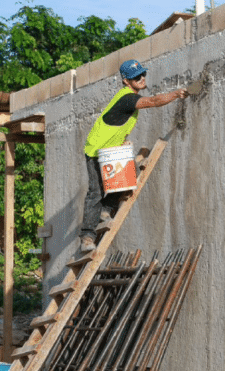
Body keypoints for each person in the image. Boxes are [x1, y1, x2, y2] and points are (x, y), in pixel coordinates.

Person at [79, 59, 189, 252]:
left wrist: (122, 141)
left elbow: (119, 124)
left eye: (142, 74)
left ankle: (106, 209)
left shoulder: (128, 97)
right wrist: (175, 94)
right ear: (126, 80)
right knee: (95, 192)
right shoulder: (127, 98)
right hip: (96, 150)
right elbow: (153, 102)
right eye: (136, 77)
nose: (141, 78)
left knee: (125, 179)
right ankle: (87, 238)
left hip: (110, 149)